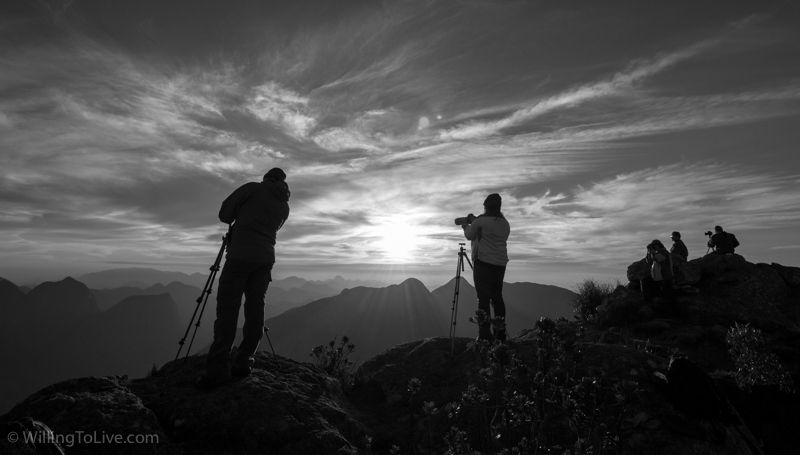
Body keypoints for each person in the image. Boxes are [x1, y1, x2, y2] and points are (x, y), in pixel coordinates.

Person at [197, 168, 290, 388]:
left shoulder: (252, 189)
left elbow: (224, 215)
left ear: (266, 177)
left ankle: (217, 370)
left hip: (240, 256)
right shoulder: (284, 206)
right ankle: (243, 361)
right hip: (265, 259)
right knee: (255, 307)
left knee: (228, 309)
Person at [461, 193, 510, 342]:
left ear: (486, 206)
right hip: (500, 264)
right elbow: (492, 233)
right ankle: (500, 333)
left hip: (483, 263)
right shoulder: (504, 223)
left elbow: (469, 235)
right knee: (497, 298)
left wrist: (465, 225)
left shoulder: (480, 221)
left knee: (483, 298)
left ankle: (484, 335)